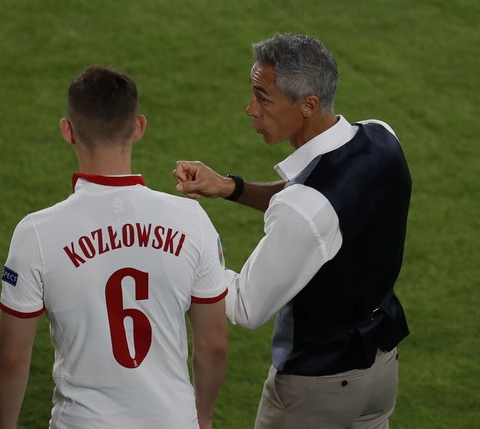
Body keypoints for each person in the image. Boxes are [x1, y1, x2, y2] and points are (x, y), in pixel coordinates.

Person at [174, 33, 412, 428]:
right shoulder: (382, 136)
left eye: (263, 98)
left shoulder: (304, 208)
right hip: (380, 373)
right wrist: (231, 187)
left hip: (314, 392)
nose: (250, 109)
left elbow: (246, 307)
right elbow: (325, 201)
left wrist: (181, 253)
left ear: (308, 106)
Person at [0, 65, 228, 429]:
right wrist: (204, 419)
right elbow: (213, 345)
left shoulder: (36, 233)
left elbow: (10, 358)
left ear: (67, 131)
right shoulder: (191, 220)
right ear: (138, 127)